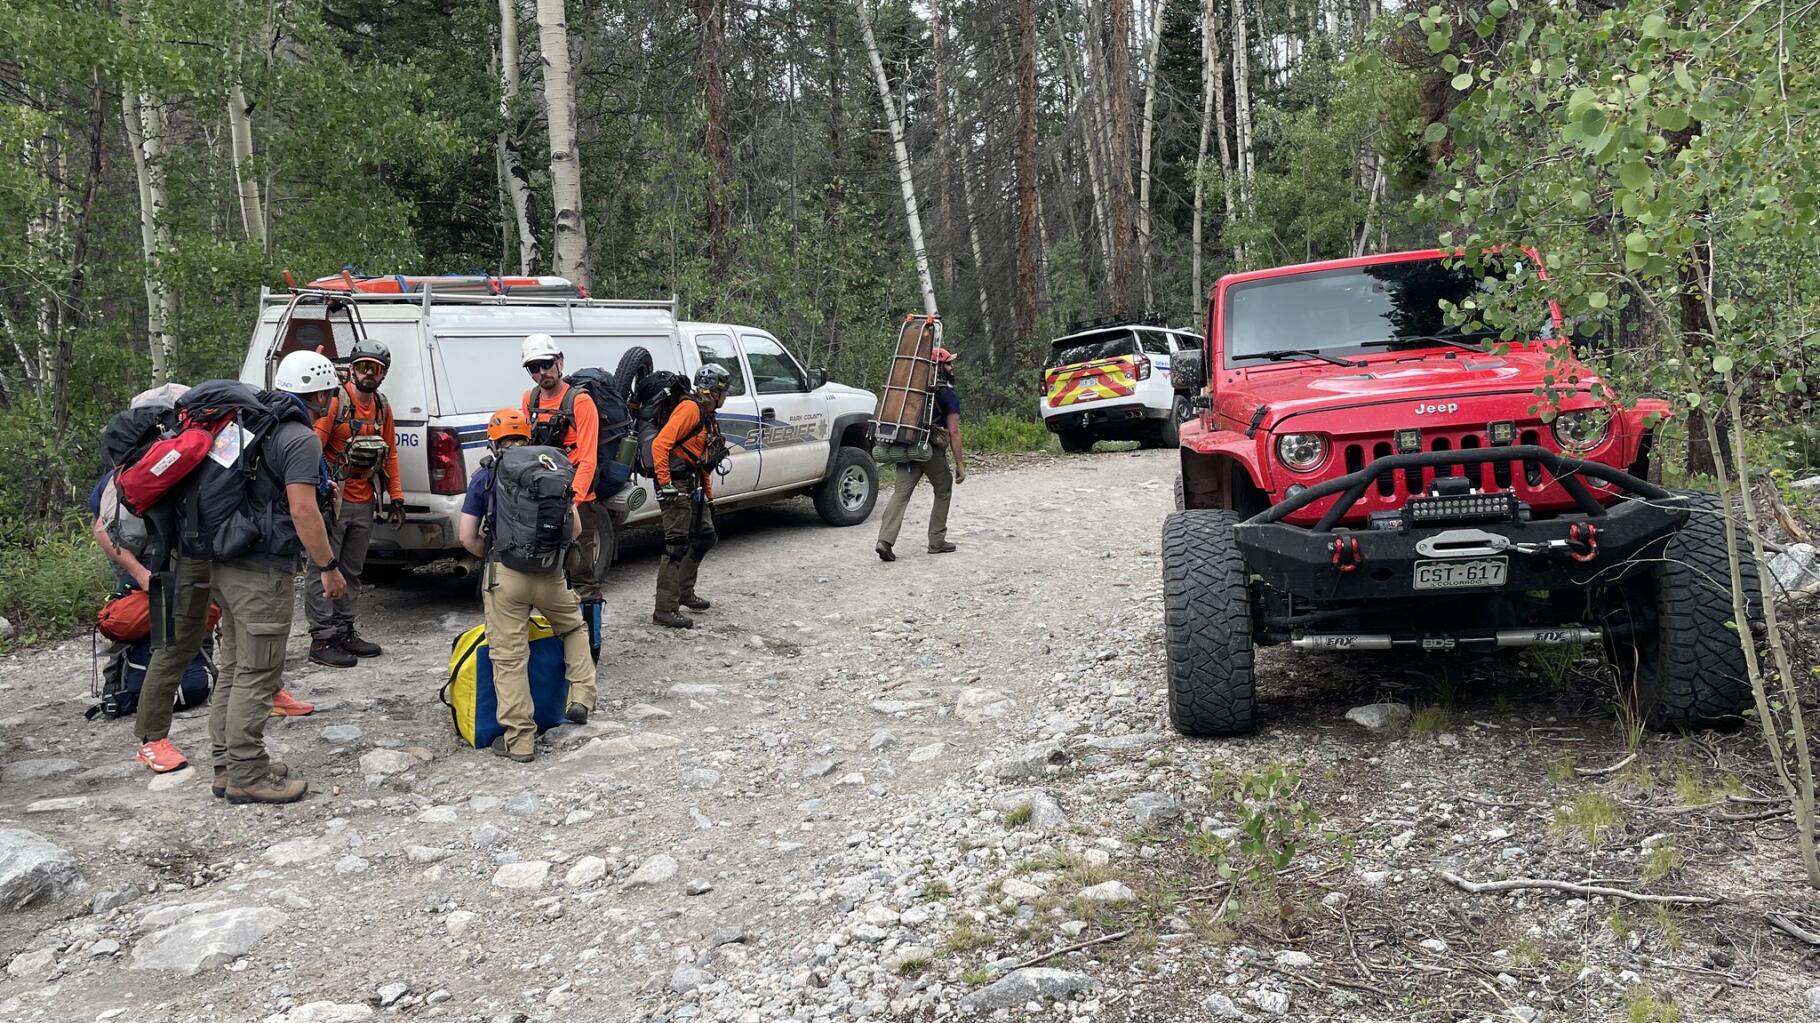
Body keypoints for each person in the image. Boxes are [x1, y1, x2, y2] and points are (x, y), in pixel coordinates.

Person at [90, 385, 314, 776]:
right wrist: (141, 575)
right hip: (167, 564)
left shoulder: (197, 447)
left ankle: (228, 722)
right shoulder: (171, 453)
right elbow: (101, 528)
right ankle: (152, 739)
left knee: (219, 639)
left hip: (191, 558)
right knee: (178, 646)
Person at [208, 351, 347, 804]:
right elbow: (303, 508)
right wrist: (328, 567)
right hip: (262, 569)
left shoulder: (247, 426)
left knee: (232, 667)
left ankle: (227, 765)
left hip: (224, 559)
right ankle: (248, 773)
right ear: (322, 394)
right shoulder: (299, 438)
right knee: (259, 671)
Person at [457, 408, 597, 763]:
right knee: (573, 627)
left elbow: (466, 537)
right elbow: (576, 530)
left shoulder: (486, 475)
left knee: (509, 657)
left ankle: (519, 740)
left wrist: (492, 558)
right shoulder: (553, 467)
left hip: (505, 574)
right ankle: (581, 697)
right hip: (551, 573)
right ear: (528, 435)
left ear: (494, 439)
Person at [306, 337, 405, 667]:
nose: (367, 374)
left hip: (365, 498)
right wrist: (317, 490)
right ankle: (322, 638)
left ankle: (344, 630)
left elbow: (390, 453)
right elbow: (313, 448)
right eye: (362, 366)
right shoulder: (337, 403)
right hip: (334, 501)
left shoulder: (382, 407)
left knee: (352, 569)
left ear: (383, 374)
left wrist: (397, 497)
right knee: (323, 568)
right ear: (352, 369)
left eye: (374, 369)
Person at [518, 334, 607, 619]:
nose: (541, 372)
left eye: (546, 364)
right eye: (534, 367)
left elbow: (589, 458)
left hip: (578, 500)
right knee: (544, 574)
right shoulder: (529, 399)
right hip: (543, 499)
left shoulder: (580, 402)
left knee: (581, 575)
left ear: (559, 362)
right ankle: (551, 643)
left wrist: (572, 502)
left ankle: (590, 646)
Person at [651, 364, 731, 629]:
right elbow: (660, 445)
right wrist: (665, 484)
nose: (726, 396)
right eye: (724, 391)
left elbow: (701, 460)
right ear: (713, 392)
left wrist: (709, 497)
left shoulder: (707, 415)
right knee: (676, 545)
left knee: (706, 535)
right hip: (675, 483)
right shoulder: (689, 409)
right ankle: (664, 608)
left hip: (693, 481)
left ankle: (684, 591)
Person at [876, 346, 967, 561]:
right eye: (947, 363)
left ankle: (884, 540)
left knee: (901, 494)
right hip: (929, 451)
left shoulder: (907, 389)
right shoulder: (946, 393)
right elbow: (953, 432)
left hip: (904, 448)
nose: (951, 367)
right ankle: (936, 541)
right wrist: (960, 463)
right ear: (938, 367)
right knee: (943, 488)